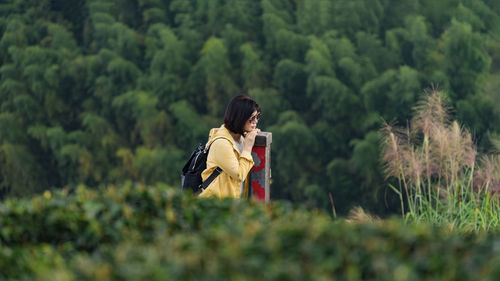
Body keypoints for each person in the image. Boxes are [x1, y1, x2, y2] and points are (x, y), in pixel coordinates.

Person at [198, 95, 261, 198]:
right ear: (240, 118)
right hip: (215, 205)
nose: (256, 121)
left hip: (230, 204)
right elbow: (239, 174)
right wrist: (248, 147)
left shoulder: (240, 138)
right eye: (252, 118)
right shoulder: (221, 143)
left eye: (257, 116)